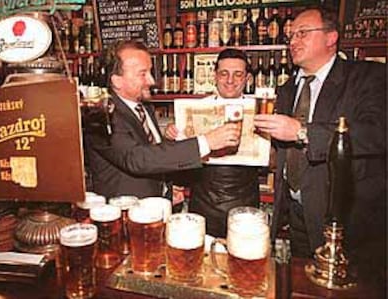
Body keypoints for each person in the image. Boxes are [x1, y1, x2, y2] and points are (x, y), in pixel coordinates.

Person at [253, 6, 386, 285]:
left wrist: (303, 132)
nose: (293, 41)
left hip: (348, 219)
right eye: (291, 35)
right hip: (296, 215)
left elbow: (377, 134)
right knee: (303, 288)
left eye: (302, 33)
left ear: (331, 37)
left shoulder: (367, 76)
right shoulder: (287, 88)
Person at [84, 41, 241, 200]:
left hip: (155, 209)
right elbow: (137, 159)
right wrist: (206, 142)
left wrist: (168, 187)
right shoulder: (99, 116)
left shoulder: (145, 108)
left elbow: (153, 153)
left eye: (150, 72)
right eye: (143, 74)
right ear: (117, 81)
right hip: (125, 216)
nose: (152, 81)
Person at [166, 49, 260, 237]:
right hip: (203, 200)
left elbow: (273, 160)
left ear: (247, 78)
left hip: (244, 201)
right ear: (214, 76)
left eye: (238, 74)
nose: (230, 80)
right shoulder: (196, 109)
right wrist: (171, 135)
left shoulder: (261, 111)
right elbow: (178, 160)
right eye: (224, 73)